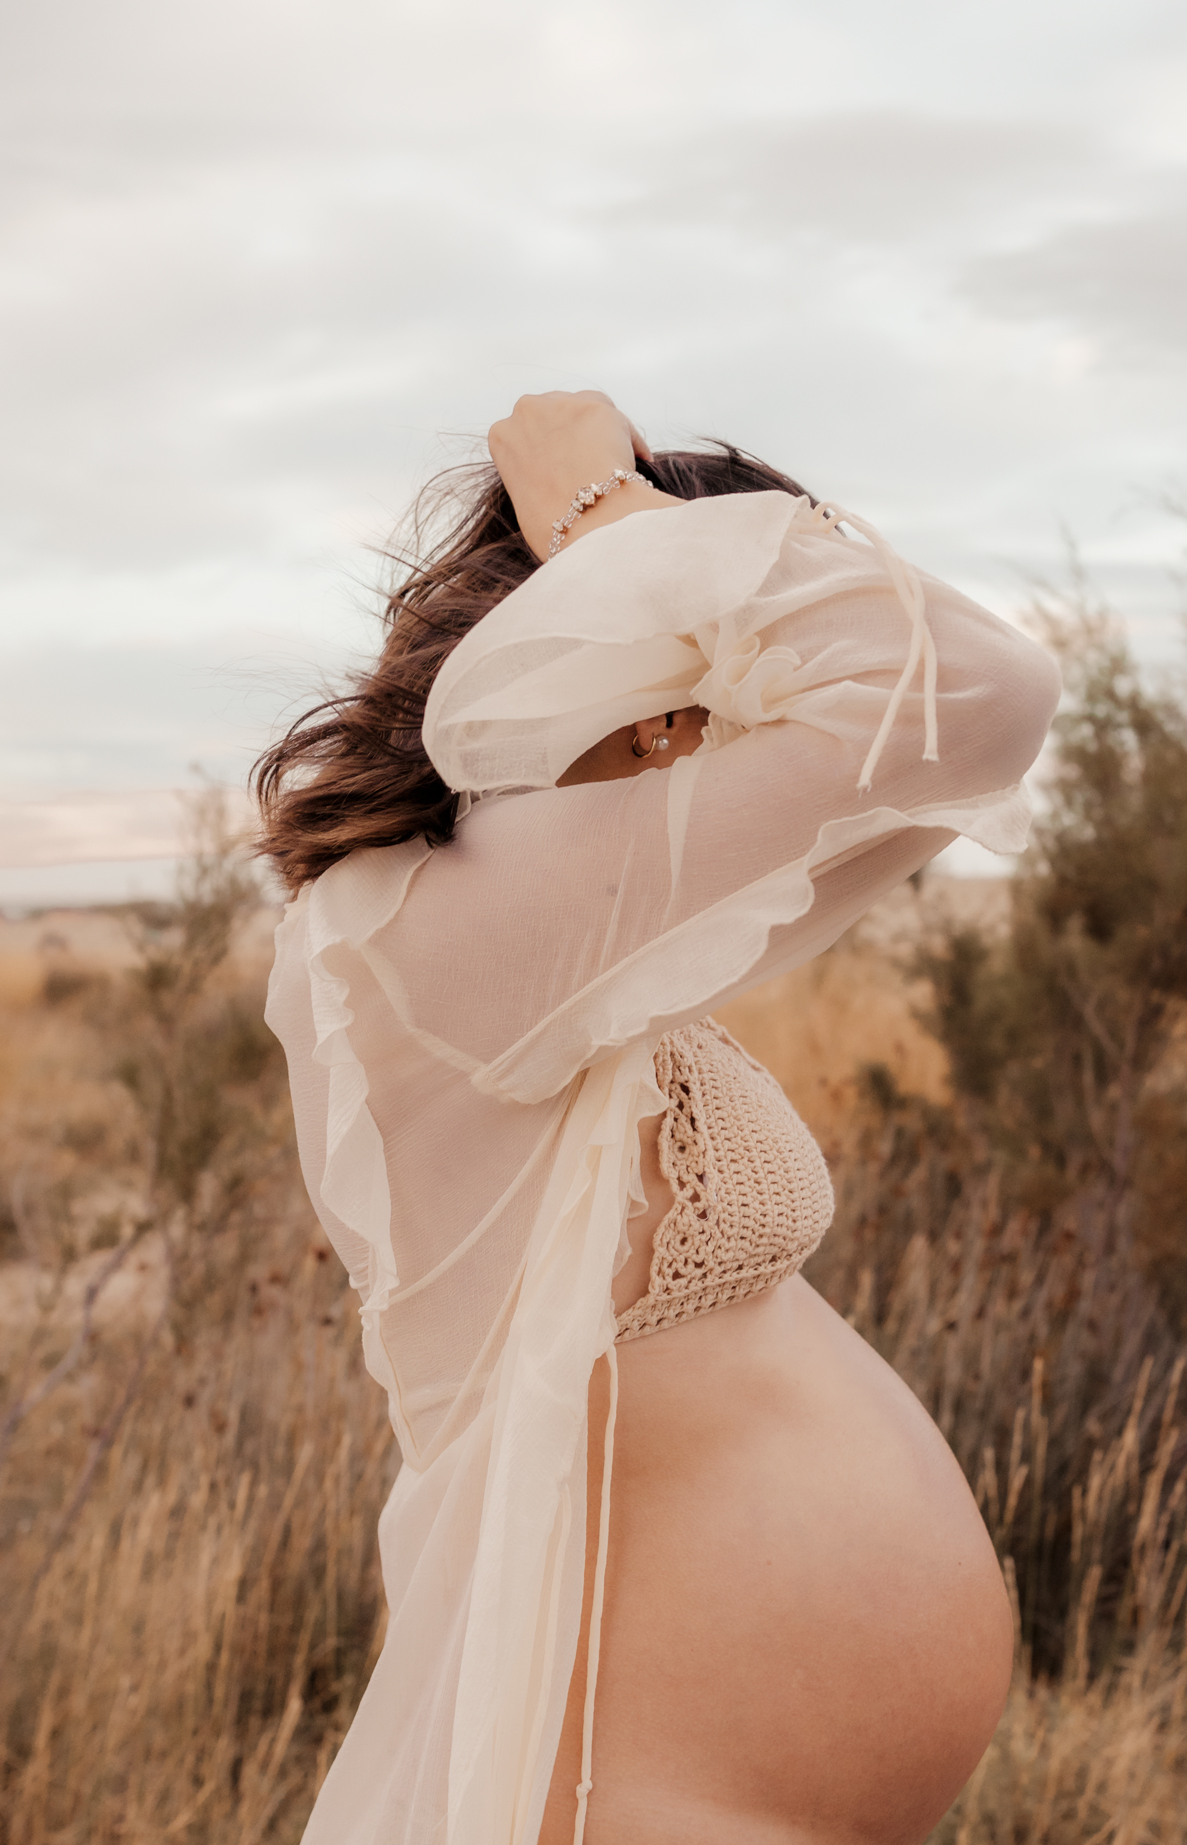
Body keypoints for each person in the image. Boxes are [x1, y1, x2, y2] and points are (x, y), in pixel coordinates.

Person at [258, 390, 1060, 1845]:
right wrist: (598, 512)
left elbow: (938, 734)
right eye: (686, 655)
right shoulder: (428, 941)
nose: (720, 723)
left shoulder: (580, 953)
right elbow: (971, 687)